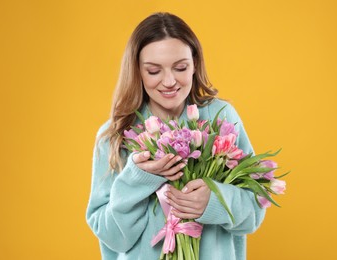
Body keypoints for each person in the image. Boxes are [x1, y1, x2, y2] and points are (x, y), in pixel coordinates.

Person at [86, 12, 266, 260]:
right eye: (153, 71)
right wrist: (137, 179)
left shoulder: (221, 117)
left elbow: (255, 209)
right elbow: (113, 238)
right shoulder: (115, 136)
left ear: (194, 64)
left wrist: (215, 201)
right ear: (137, 71)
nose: (169, 81)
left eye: (180, 67)